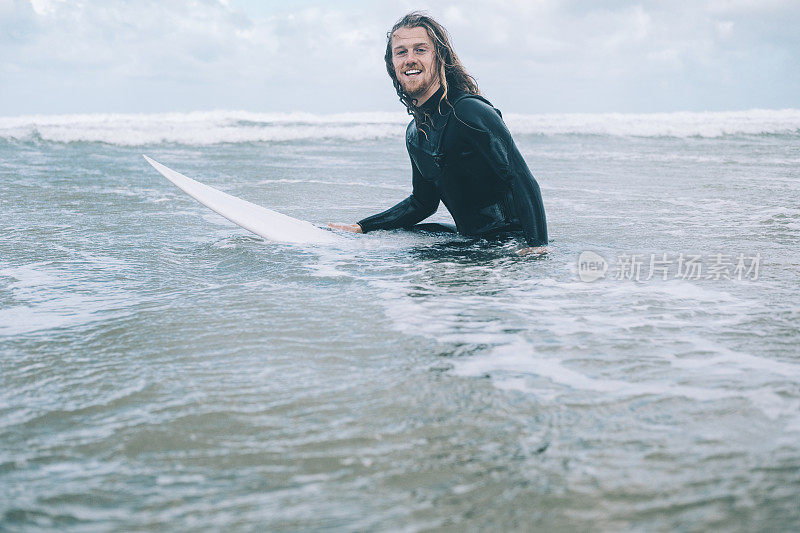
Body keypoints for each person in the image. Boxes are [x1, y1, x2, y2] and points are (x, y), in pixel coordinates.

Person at [328, 12, 548, 254]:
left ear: (440, 57)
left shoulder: (469, 111)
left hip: (506, 243)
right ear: (392, 64)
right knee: (392, 244)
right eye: (401, 52)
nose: (410, 59)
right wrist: (362, 227)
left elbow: (521, 179)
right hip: (470, 240)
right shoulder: (415, 133)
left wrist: (537, 247)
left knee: (403, 258)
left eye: (420, 50)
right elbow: (422, 203)